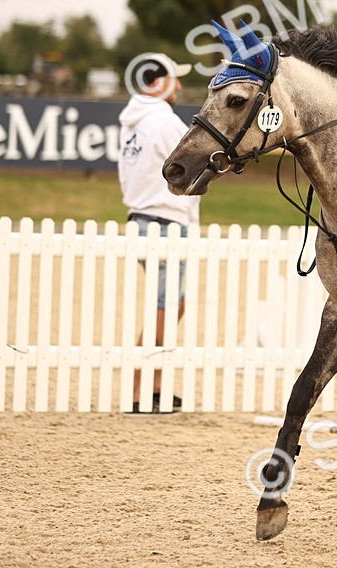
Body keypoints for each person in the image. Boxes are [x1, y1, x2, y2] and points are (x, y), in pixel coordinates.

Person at [118, 52, 199, 412]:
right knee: (166, 308)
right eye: (174, 78)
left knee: (168, 306)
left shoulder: (133, 122)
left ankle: (153, 387)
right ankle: (141, 392)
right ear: (158, 82)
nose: (179, 86)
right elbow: (196, 162)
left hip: (141, 217)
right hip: (165, 221)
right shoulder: (164, 121)